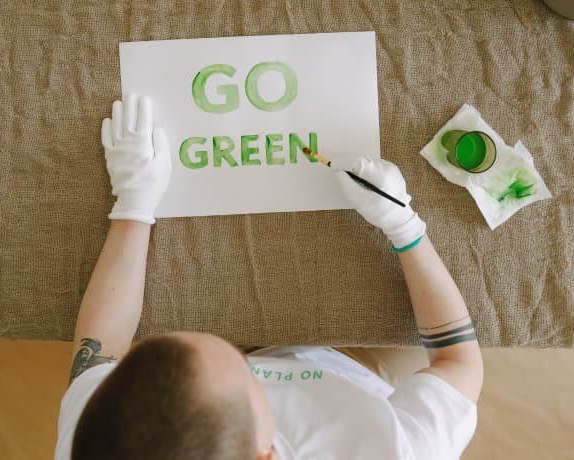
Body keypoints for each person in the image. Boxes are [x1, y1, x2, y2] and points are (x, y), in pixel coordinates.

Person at [55, 95, 484, 460]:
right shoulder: (391, 449)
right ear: (268, 454)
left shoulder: (101, 436)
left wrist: (132, 204)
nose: (253, 366)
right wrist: (406, 229)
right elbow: (457, 362)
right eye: (247, 375)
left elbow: (100, 348)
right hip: (356, 369)